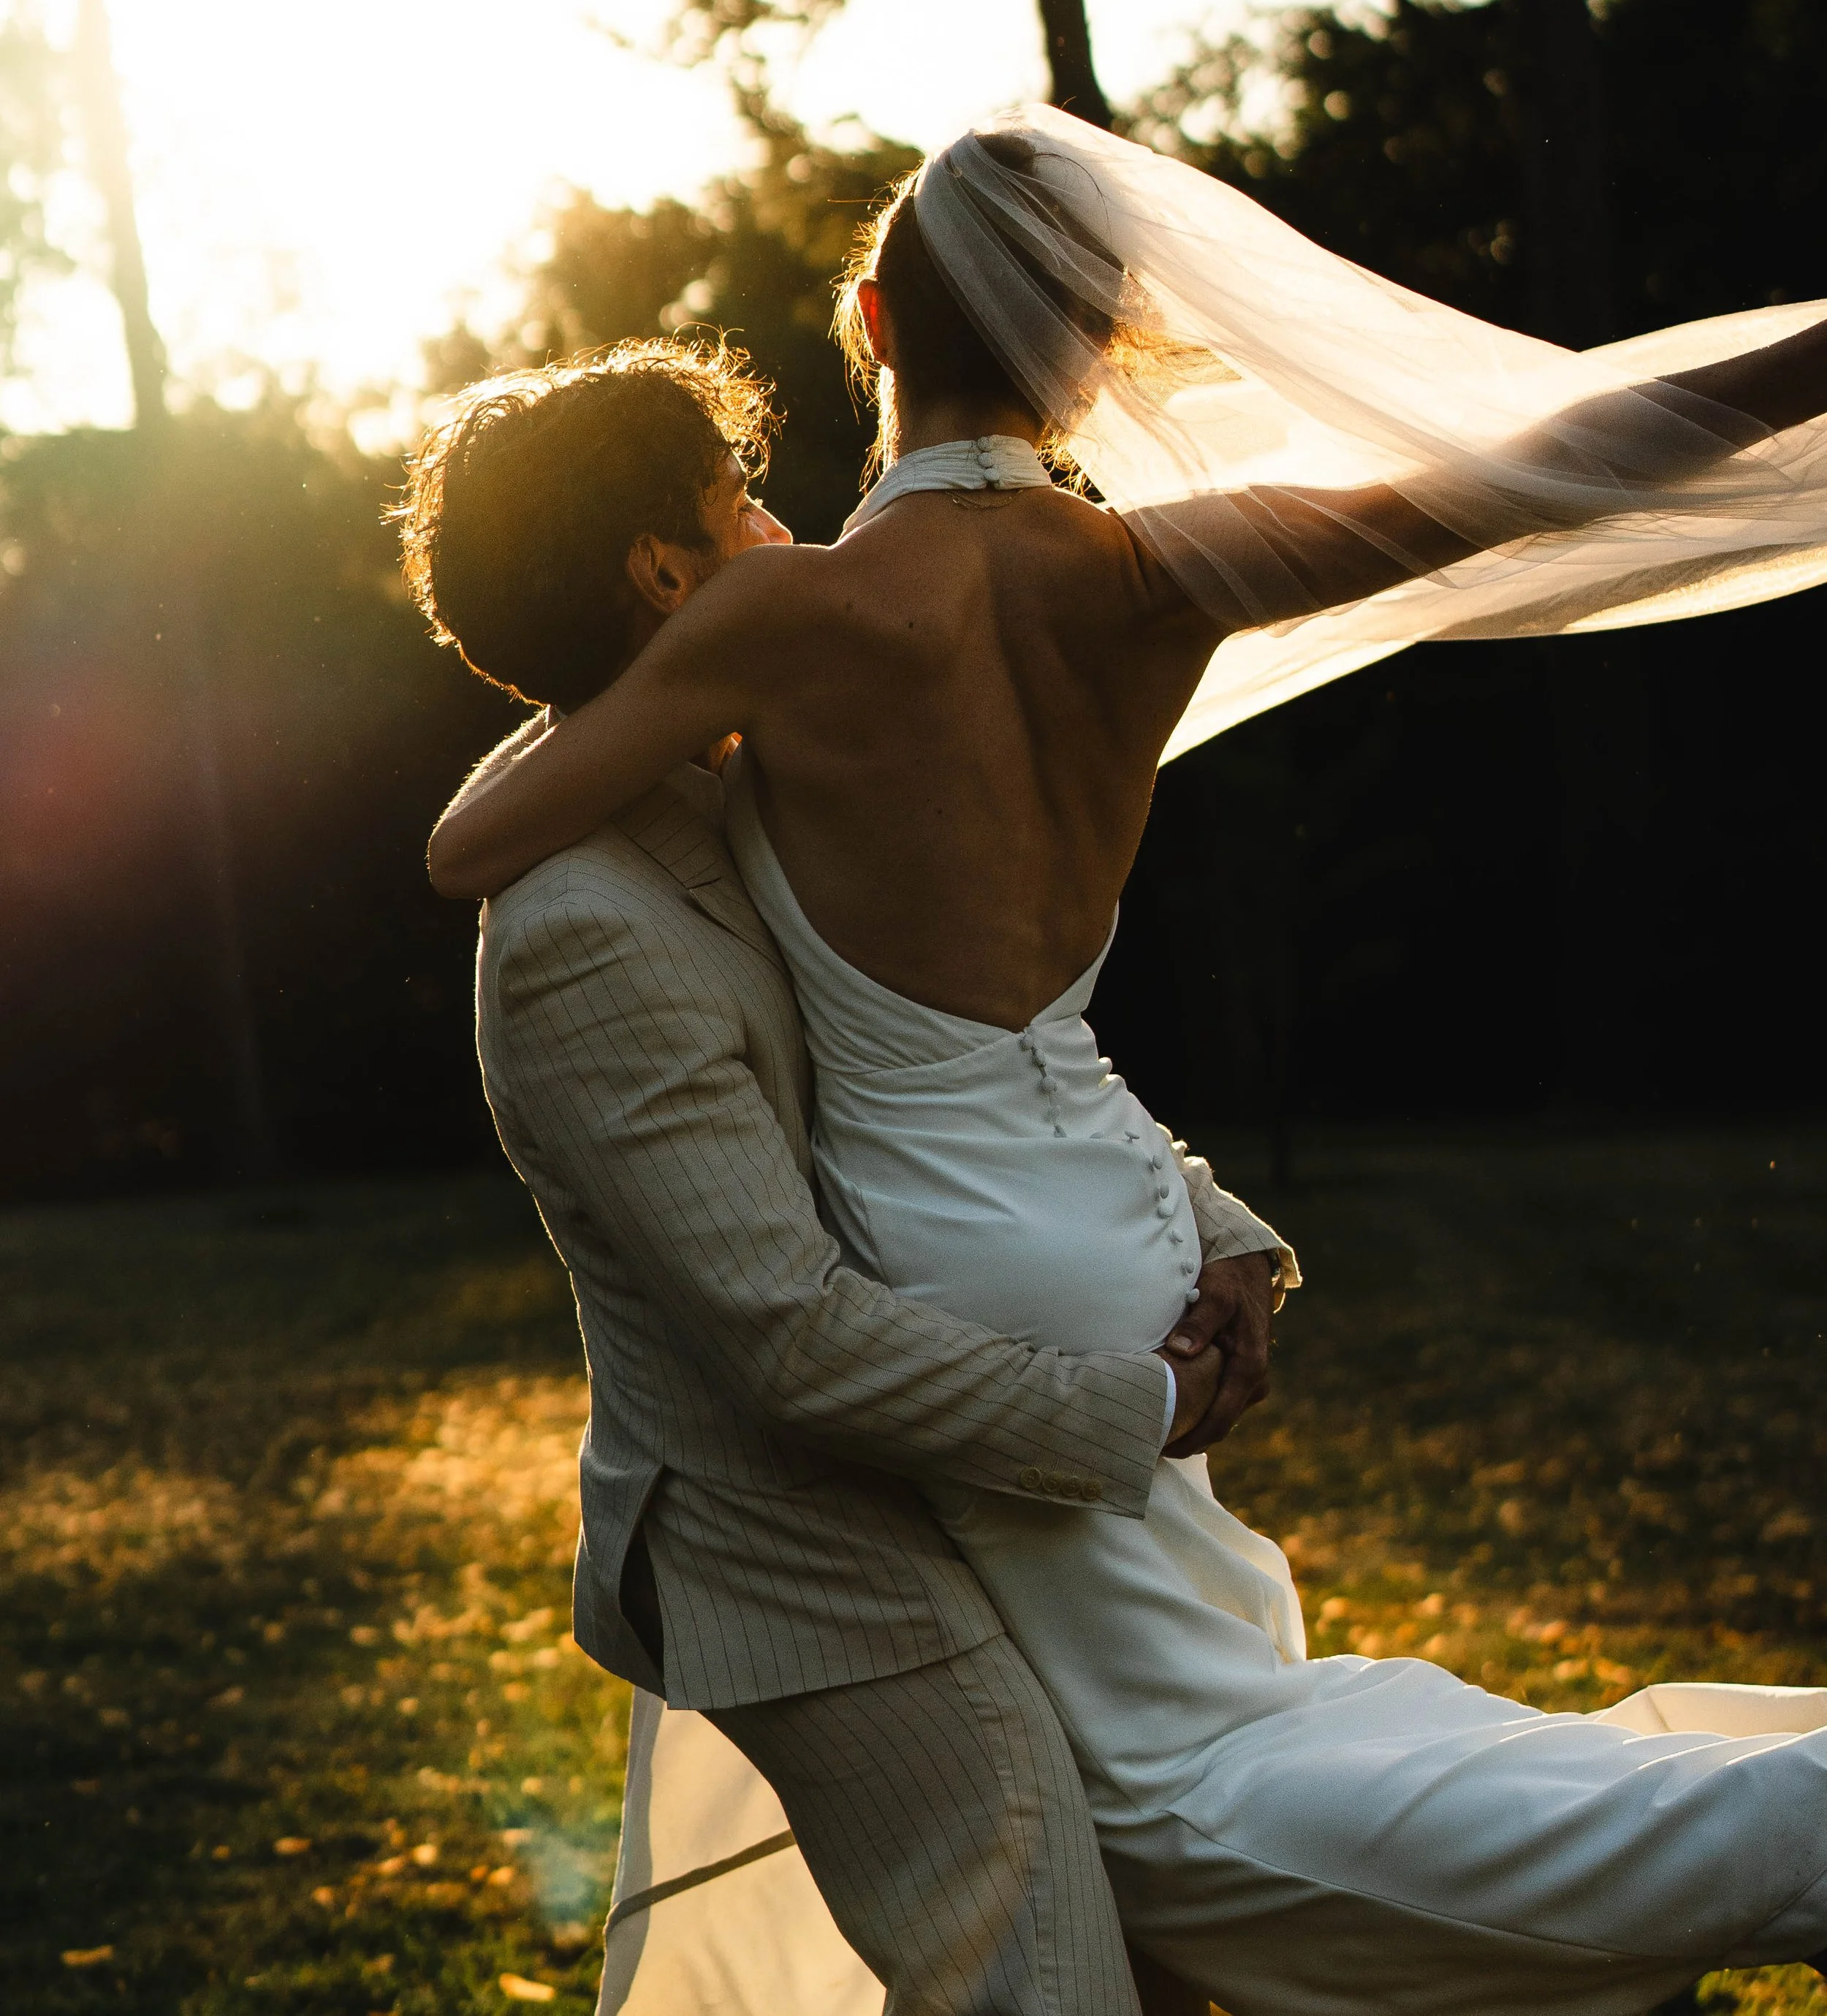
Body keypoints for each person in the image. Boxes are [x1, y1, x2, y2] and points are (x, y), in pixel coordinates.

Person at [429, 107, 1827, 2016]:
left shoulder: (785, 616)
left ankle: (1695, 1850)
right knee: (1201, 1724)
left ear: (869, 324)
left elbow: (475, 840)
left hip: (952, 1247)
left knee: (1170, 1782)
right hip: (1108, 1186)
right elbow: (1541, 472)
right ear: (1099, 345)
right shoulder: (1154, 572)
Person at [397, 340, 1298, 2016]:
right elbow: (786, 1337)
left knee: (1155, 1931)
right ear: (664, 573)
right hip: (796, 1548)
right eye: (738, 499)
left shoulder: (738, 777)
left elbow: (960, 1057)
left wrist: (1213, 1223)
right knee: (1041, 1969)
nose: (786, 528)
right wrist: (1135, 1407)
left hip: (930, 1484)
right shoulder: (580, 931)